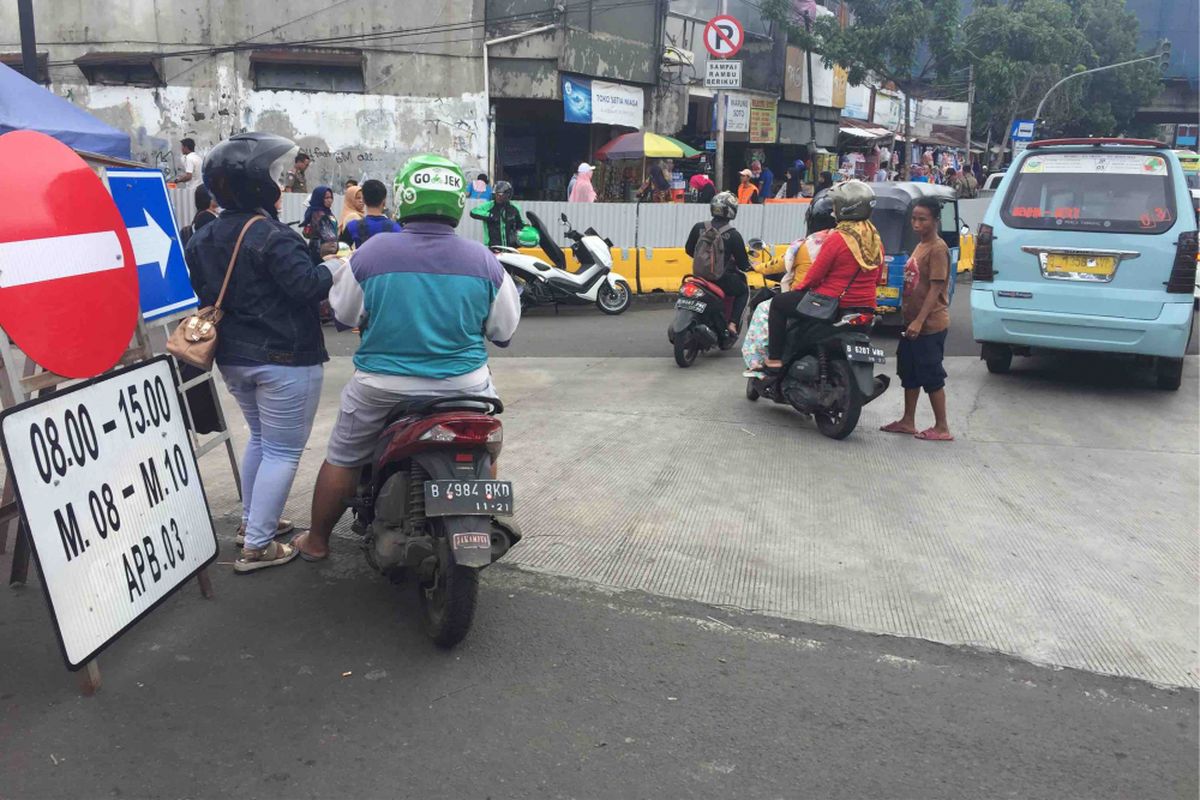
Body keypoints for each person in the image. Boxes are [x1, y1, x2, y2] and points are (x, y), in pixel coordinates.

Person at [293, 154, 521, 562]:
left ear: (405, 197)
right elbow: (503, 330)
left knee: (344, 457)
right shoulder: (484, 261)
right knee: (484, 451)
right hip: (464, 387)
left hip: (383, 386)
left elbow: (344, 314)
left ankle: (317, 541)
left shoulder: (372, 253)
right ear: (457, 202)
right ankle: (481, 520)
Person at [184, 132, 333, 573]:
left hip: (233, 357)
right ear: (255, 183)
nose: (280, 179)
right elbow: (306, 287)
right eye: (273, 173)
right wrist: (332, 267)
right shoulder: (271, 234)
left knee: (262, 440)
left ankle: (253, 523)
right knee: (283, 451)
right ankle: (258, 545)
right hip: (284, 358)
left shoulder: (202, 236)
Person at [764, 180, 885, 370]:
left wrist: (797, 289)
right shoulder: (875, 238)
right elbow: (877, 278)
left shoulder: (837, 237)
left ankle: (774, 359)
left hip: (833, 303)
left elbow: (815, 276)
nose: (833, 210)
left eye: (836, 205)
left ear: (846, 208)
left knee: (779, 304)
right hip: (866, 307)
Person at [881, 196, 953, 441]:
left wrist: (920, 321)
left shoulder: (938, 249)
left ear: (935, 220)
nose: (917, 224)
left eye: (923, 219)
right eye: (914, 219)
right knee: (909, 371)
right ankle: (907, 421)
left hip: (930, 325)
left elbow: (935, 288)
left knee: (931, 374)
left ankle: (942, 427)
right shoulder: (920, 244)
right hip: (911, 323)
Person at [684, 191, 751, 336]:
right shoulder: (733, 234)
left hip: (699, 278)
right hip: (721, 280)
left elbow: (689, 250)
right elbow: (743, 264)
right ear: (732, 211)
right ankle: (732, 324)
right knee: (743, 291)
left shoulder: (698, 227)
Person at [779, 193, 836, 292]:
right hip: (839, 298)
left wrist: (758, 267)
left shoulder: (803, 246)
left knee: (766, 306)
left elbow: (780, 263)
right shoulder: (848, 244)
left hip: (807, 296)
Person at [340, 178, 401, 248]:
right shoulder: (395, 228)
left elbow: (341, 251)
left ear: (363, 199)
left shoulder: (352, 226)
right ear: (384, 201)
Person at [469, 180, 525, 247]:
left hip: (511, 249)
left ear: (508, 194)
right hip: (492, 248)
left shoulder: (515, 208)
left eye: (500, 194)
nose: (498, 196)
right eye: (496, 194)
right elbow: (473, 212)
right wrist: (490, 215)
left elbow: (521, 225)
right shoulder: (489, 205)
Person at [301, 186, 339, 264]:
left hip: (325, 249)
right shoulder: (318, 214)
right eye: (326, 198)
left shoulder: (326, 212)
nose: (330, 200)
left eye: (331, 197)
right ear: (319, 198)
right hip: (321, 251)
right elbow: (328, 235)